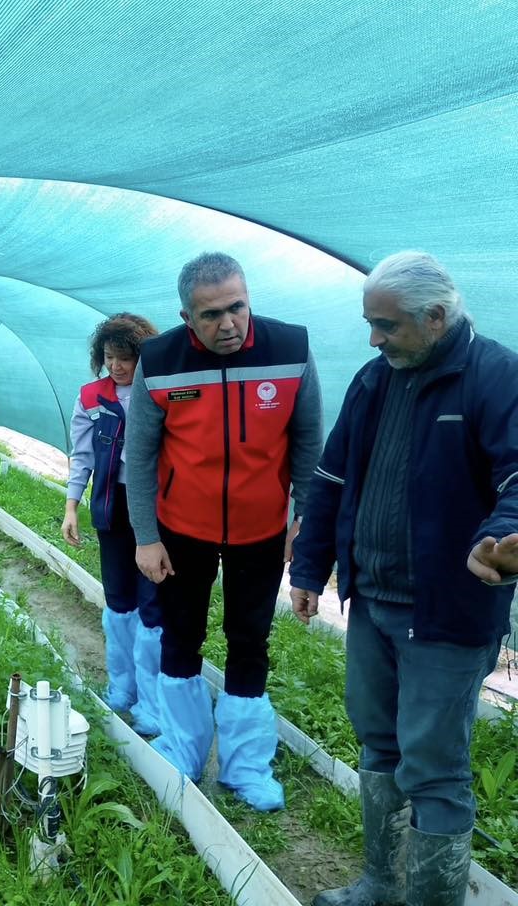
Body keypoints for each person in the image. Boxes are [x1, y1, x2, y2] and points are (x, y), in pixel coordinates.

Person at [289, 251, 518, 906]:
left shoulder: (494, 377)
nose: (373, 339)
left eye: (386, 325)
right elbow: (331, 477)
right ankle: (380, 884)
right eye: (370, 323)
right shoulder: (374, 380)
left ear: (435, 317)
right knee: (378, 744)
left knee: (434, 768)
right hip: (374, 603)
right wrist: (309, 568)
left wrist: (503, 538)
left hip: (447, 614)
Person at [125, 251, 323, 810]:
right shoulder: (159, 360)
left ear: (248, 298)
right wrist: (145, 535)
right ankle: (181, 750)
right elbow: (140, 455)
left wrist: (304, 519)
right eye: (211, 315)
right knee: (180, 634)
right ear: (187, 318)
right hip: (181, 529)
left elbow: (309, 442)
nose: (228, 324)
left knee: (249, 637)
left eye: (237, 307)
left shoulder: (290, 349)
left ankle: (246, 766)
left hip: (261, 530)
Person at [62, 312, 162, 735]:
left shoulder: (160, 391)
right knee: (119, 599)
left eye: (126, 357)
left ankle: (154, 703)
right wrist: (71, 506)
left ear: (143, 357)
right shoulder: (91, 397)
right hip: (111, 505)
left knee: (153, 602)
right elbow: (82, 456)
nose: (117, 366)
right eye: (109, 357)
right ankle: (123, 688)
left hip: (156, 509)